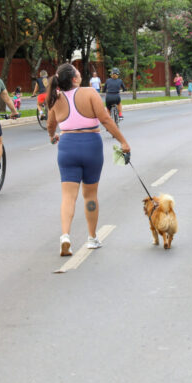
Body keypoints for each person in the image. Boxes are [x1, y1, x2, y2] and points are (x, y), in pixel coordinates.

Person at [47, 63, 130, 256]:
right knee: (90, 196)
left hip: (67, 146)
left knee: (68, 196)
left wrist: (52, 137)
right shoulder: (89, 93)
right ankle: (92, 238)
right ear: (75, 79)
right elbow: (106, 120)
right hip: (91, 145)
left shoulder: (55, 98)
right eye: (77, 72)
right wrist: (123, 141)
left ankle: (65, 235)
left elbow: (51, 125)